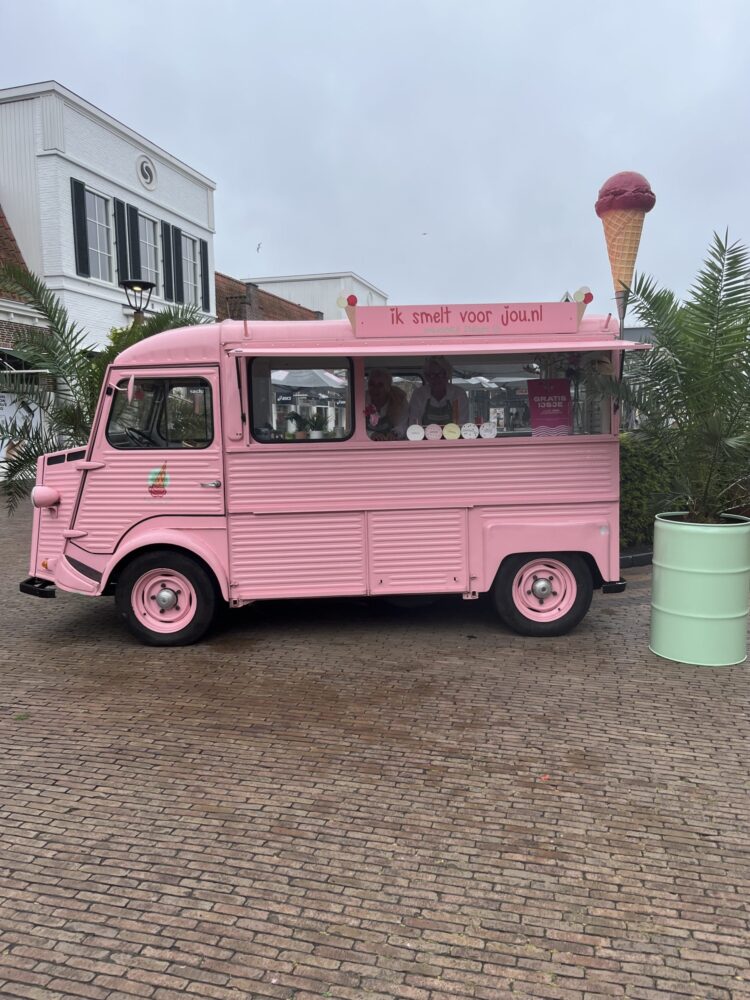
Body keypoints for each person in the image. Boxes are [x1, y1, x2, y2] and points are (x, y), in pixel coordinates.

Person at [408, 356, 469, 427]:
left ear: (447, 375)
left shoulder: (458, 393)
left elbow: (462, 424)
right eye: (432, 375)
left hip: (453, 437)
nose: (437, 379)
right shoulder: (419, 394)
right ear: (426, 377)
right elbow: (414, 424)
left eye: (441, 374)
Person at [365, 368, 409, 440]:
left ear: (388, 387)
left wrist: (395, 434)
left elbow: (403, 424)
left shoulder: (399, 400)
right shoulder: (362, 399)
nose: (375, 389)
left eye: (380, 385)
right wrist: (371, 434)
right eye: (372, 384)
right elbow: (357, 426)